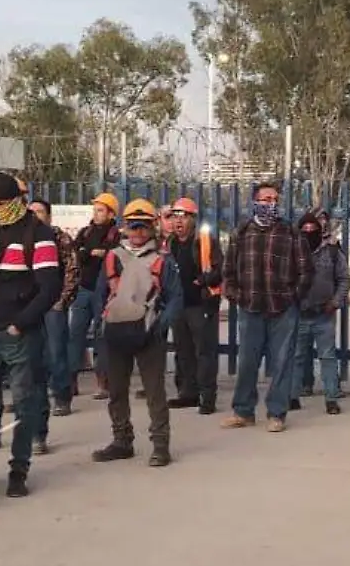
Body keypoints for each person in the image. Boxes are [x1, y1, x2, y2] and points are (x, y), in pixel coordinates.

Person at [0, 172, 64, 499]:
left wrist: (19, 323)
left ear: (17, 201)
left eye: (1, 203)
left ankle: (18, 471)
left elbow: (49, 288)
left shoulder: (40, 234)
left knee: (24, 403)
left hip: (19, 334)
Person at [93, 199, 182, 466]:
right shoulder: (113, 257)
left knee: (155, 391)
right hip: (117, 332)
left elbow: (176, 297)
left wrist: (159, 326)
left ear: (153, 227)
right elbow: (100, 293)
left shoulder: (164, 260)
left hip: (149, 333)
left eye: (144, 227)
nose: (139, 233)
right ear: (125, 227)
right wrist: (102, 320)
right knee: (117, 390)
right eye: (134, 226)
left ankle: (160, 445)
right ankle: (122, 441)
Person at [221, 180, 311, 432]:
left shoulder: (291, 232)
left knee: (282, 362)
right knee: (247, 361)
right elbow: (228, 269)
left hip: (282, 308)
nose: (270, 204)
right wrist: (234, 294)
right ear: (255, 202)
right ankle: (243, 411)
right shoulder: (241, 232)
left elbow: (306, 270)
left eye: (274, 200)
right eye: (265, 200)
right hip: (250, 307)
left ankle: (277, 413)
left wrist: (294, 296)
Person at [26, 199, 79, 455]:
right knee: (32, 356)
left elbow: (71, 269)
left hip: (53, 304)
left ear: (48, 215)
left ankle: (61, 395)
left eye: (39, 212)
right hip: (29, 306)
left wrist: (62, 301)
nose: (35, 216)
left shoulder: (59, 238)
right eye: (32, 211)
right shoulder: (25, 238)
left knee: (57, 351)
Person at [165, 197, 223, 413]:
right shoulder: (170, 242)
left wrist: (202, 281)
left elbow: (219, 269)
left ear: (192, 219)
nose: (178, 221)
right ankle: (187, 393)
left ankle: (207, 398)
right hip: (179, 305)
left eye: (183, 216)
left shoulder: (205, 240)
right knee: (183, 351)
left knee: (205, 352)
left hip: (201, 304)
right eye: (175, 216)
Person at [290, 208, 350, 415]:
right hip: (300, 313)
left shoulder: (332, 251)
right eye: (304, 229)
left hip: (324, 314)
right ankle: (292, 396)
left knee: (327, 357)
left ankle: (331, 399)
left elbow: (343, 279)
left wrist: (335, 302)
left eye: (312, 229)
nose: (309, 233)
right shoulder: (293, 251)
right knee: (297, 356)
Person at [68, 192, 121, 404]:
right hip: (84, 289)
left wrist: (95, 252)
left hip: (105, 292)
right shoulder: (86, 231)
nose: (96, 214)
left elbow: (113, 254)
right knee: (75, 334)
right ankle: (71, 381)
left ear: (110, 213)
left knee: (102, 336)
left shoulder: (116, 234)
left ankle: (103, 382)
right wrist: (91, 252)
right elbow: (77, 252)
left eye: (100, 210)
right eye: (95, 210)